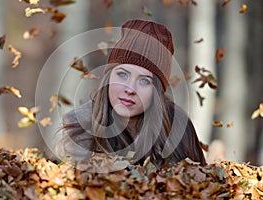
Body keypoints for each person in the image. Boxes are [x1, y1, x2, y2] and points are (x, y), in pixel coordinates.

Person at [56, 19, 206, 169]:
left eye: (144, 81)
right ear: (109, 77)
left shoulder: (177, 125)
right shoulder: (80, 124)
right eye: (122, 75)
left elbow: (200, 184)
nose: (130, 89)